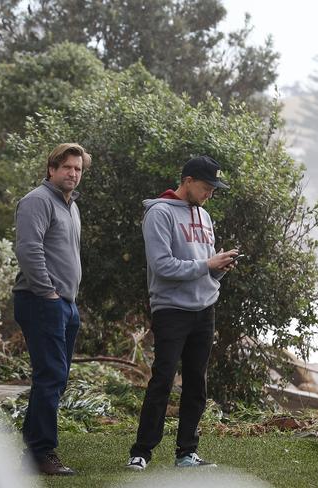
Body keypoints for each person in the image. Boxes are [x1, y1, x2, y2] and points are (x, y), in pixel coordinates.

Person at [126, 155, 238, 470]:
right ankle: (141, 452)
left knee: (196, 383)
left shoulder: (204, 216)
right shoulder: (158, 214)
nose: (209, 195)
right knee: (162, 380)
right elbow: (162, 266)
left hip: (205, 308)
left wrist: (220, 268)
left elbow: (205, 270)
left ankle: (186, 453)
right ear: (187, 181)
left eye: (213, 190)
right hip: (171, 310)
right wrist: (207, 264)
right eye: (206, 187)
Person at [13, 143, 91, 476]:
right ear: (51, 169)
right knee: (50, 376)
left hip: (64, 304)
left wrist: (66, 299)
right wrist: (48, 293)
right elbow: (28, 250)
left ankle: (34, 450)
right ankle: (41, 452)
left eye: (78, 169)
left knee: (55, 379)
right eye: (67, 167)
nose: (73, 173)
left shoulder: (69, 205)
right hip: (41, 300)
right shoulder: (37, 201)